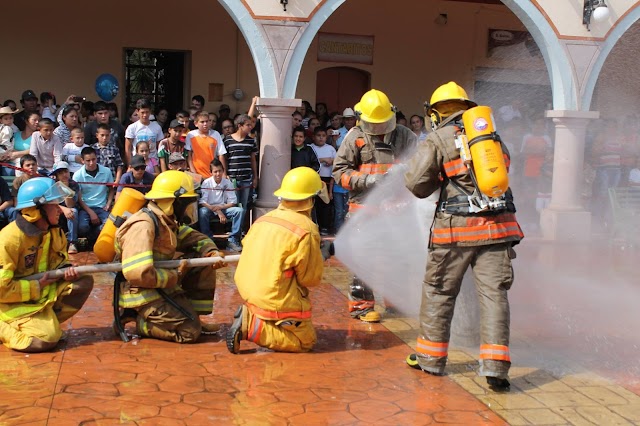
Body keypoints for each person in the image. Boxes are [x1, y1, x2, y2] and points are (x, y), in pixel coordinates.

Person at [403, 81, 523, 391]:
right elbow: (503, 171)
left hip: (455, 233)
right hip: (498, 230)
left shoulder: (437, 138)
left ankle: (430, 360)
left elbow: (417, 185)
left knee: (439, 291)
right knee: (495, 296)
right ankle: (496, 369)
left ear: (435, 114)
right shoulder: (490, 136)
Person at [333, 89, 417, 322]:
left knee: (398, 257)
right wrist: (367, 180)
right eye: (374, 124)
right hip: (364, 209)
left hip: (398, 209)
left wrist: (406, 174)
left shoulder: (406, 136)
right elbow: (339, 172)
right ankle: (361, 307)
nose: (379, 129)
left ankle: (396, 301)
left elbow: (420, 166)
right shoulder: (355, 137)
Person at [114, 170, 226, 343]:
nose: (189, 209)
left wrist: (211, 252)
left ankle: (192, 315)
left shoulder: (167, 221)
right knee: (189, 332)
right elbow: (138, 274)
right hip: (140, 293)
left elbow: (194, 237)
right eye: (186, 204)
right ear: (173, 202)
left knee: (201, 260)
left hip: (157, 286)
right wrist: (176, 275)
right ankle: (139, 320)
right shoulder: (144, 226)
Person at [227, 167, 327, 354]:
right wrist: (319, 258)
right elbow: (310, 279)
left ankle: (260, 317)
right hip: (275, 296)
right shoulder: (307, 228)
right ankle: (252, 326)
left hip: (249, 291)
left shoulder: (264, 219)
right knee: (305, 342)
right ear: (310, 199)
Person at [0, 177, 93, 352]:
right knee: (45, 340)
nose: (60, 209)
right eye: (54, 205)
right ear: (36, 209)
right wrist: (36, 285)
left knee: (83, 282)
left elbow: (59, 261)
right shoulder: (9, 240)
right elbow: (1, 289)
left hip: (39, 294)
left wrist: (66, 270)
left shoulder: (54, 232)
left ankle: (42, 321)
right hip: (9, 302)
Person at [198, 159, 244, 252]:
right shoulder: (206, 183)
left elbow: (233, 201)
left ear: (223, 171)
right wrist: (217, 211)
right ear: (211, 172)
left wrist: (220, 209)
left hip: (224, 208)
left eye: (220, 171)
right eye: (215, 171)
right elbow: (203, 201)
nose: (218, 174)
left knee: (239, 211)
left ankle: (233, 240)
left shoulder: (227, 183)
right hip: (210, 209)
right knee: (202, 212)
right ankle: (208, 240)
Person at [223, 114, 257, 231]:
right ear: (239, 126)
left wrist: (255, 177)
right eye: (248, 125)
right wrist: (224, 173)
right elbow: (224, 158)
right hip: (232, 178)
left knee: (244, 205)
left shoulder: (251, 141)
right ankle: (232, 230)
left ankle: (241, 230)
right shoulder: (227, 140)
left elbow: (253, 159)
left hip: (247, 178)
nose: (250, 127)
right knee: (234, 205)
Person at [74, 147, 114, 244]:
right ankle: (91, 238)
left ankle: (95, 236)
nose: (91, 163)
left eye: (93, 159)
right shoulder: (77, 175)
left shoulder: (106, 171)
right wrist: (91, 212)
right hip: (85, 208)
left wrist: (108, 203)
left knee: (110, 225)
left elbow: (111, 189)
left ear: (97, 158)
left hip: (102, 207)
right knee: (82, 228)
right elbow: (79, 198)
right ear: (82, 161)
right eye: (88, 160)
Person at [49, 161, 81, 254]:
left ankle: (72, 242)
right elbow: (49, 203)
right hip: (56, 208)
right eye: (60, 173)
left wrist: (66, 188)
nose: (64, 175)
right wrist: (63, 209)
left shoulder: (73, 184)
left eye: (65, 172)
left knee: (73, 211)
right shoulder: (52, 184)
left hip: (69, 208)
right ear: (56, 175)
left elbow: (70, 205)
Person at [186, 111, 227, 179]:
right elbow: (189, 156)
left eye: (207, 121)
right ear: (196, 123)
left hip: (213, 175)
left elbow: (221, 154)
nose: (205, 124)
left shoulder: (216, 134)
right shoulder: (190, 135)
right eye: (202, 122)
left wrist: (223, 173)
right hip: (196, 174)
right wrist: (194, 173)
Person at [310, 126, 336, 235]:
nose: (321, 138)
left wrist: (331, 161)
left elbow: (337, 163)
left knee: (325, 204)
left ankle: (325, 227)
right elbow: (309, 160)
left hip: (327, 180)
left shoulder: (330, 148)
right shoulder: (310, 148)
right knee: (314, 205)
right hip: (314, 179)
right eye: (318, 136)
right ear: (313, 137)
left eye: (323, 136)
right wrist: (323, 159)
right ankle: (314, 226)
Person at [124, 98, 163, 165]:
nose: (145, 115)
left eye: (147, 112)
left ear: (150, 112)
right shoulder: (132, 127)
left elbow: (160, 147)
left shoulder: (157, 127)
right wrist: (130, 165)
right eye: (142, 112)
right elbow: (128, 149)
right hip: (137, 164)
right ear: (137, 112)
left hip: (153, 164)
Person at [0, 106, 18, 176]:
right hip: (3, 152)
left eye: (10, 118)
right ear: (1, 120)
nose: (9, 120)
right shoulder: (7, 129)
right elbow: (6, 143)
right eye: (6, 119)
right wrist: (9, 152)